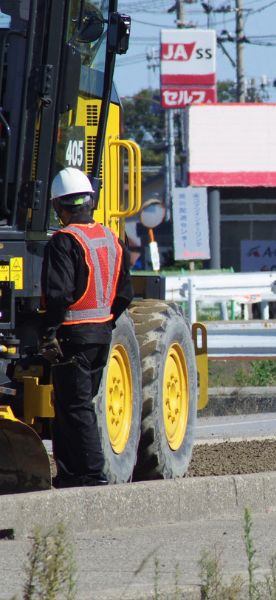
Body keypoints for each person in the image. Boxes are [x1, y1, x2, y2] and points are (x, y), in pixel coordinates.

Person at [39, 167, 133, 488]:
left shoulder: (64, 242)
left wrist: (49, 333)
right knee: (70, 407)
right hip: (101, 336)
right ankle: (69, 474)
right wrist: (104, 322)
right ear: (90, 202)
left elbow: (58, 295)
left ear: (58, 208)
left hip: (71, 339)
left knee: (76, 408)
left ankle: (92, 474)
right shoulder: (111, 238)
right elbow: (125, 295)